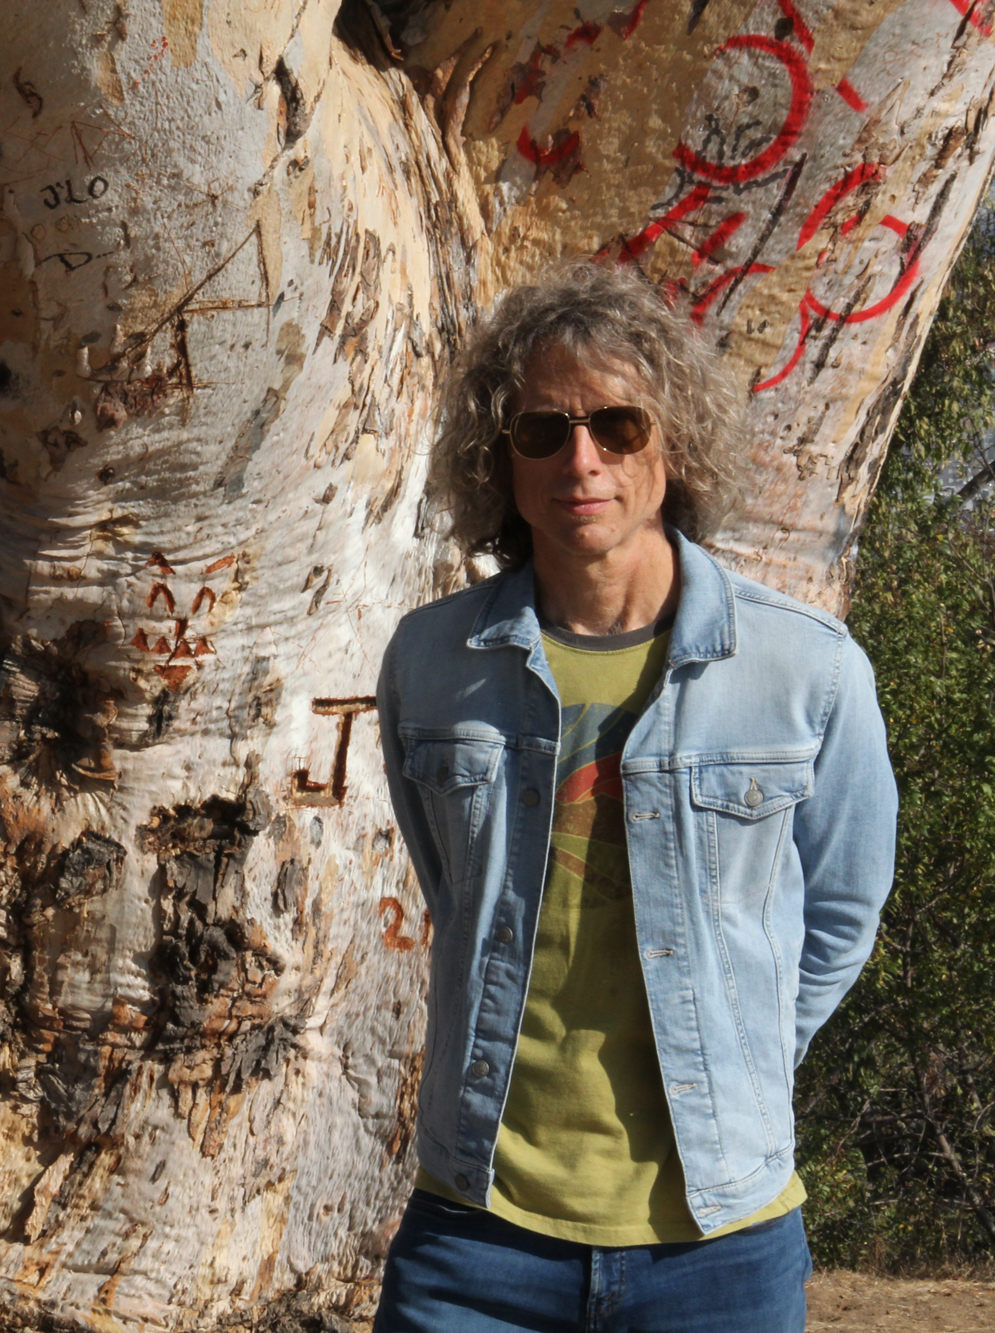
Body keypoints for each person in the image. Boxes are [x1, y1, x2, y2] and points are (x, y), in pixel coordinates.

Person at [372, 262, 896, 1331]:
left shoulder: (806, 669)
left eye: (617, 425)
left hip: (720, 1242)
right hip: (477, 1231)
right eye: (542, 430)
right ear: (500, 456)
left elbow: (842, 912)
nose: (582, 460)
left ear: (673, 443)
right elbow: (453, 889)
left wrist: (741, 1050)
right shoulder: (430, 662)